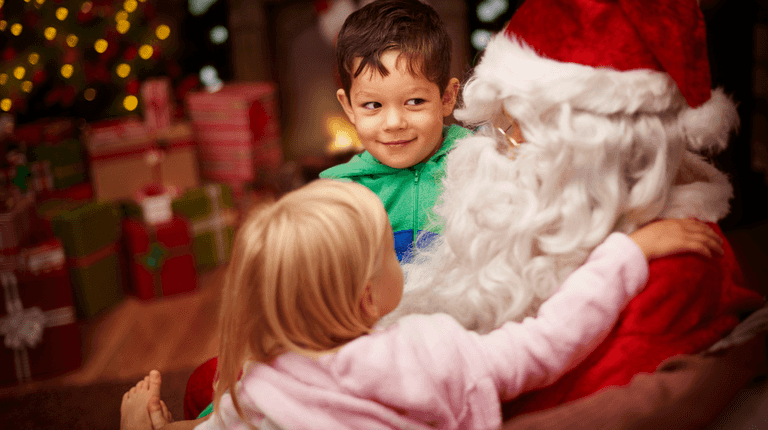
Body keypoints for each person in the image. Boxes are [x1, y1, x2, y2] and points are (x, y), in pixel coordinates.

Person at [380, 0, 766, 419]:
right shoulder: (556, 227)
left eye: (513, 133)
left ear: (593, 152)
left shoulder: (674, 270)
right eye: (496, 127)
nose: (493, 151)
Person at [119, 179, 725, 430]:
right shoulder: (429, 351)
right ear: (367, 296)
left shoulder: (254, 386)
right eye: (389, 250)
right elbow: (547, 343)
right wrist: (626, 252)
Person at [318, 0, 471, 262]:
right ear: (349, 107)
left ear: (447, 98)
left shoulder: (477, 165)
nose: (393, 123)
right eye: (373, 105)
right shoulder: (344, 195)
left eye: (414, 102)